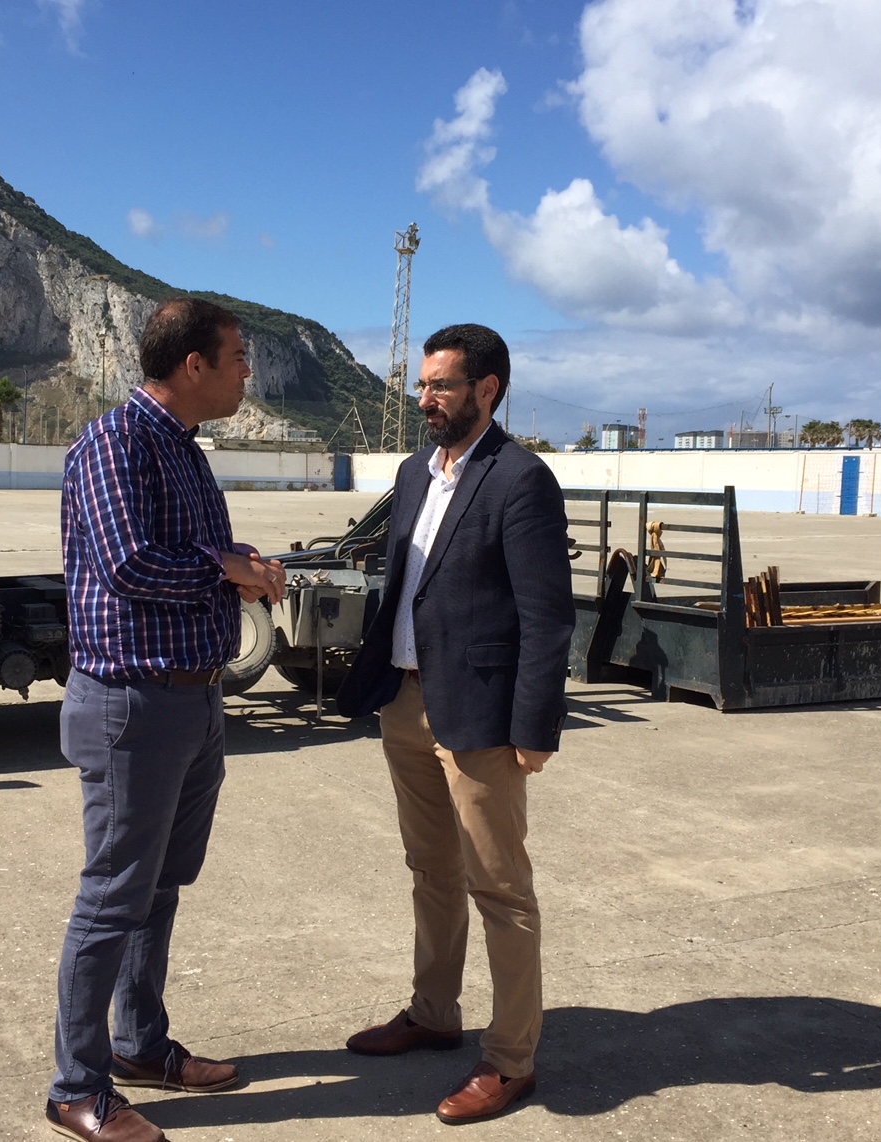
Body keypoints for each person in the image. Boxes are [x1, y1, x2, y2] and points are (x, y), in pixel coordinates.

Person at [45, 297, 286, 1142]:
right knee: (113, 897)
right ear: (193, 365)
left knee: (159, 889)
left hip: (190, 699)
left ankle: (140, 1046)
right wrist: (228, 569)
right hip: (131, 708)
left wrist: (243, 566)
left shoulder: (180, 449)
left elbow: (182, 555)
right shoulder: (117, 442)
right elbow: (128, 564)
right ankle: (76, 1085)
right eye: (237, 356)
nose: (246, 369)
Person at [337, 323, 575, 1125]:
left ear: (488, 389)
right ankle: (435, 1014)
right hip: (405, 700)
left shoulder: (521, 481)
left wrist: (535, 727)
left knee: (499, 887)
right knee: (430, 869)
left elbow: (547, 617)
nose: (426, 400)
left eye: (441, 385)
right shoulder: (414, 472)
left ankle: (512, 1060)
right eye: (424, 386)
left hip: (478, 717)